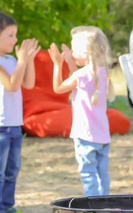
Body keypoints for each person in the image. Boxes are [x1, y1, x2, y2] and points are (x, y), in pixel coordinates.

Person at [0, 11, 40, 213]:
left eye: (16, 35)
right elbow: (12, 85)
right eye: (11, 36)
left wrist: (28, 61)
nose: (15, 41)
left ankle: (6, 208)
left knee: (11, 170)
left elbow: (28, 84)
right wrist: (22, 61)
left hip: (14, 124)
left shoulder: (12, 59)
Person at [48, 26, 115, 196]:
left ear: (85, 52)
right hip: (102, 135)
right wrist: (71, 61)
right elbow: (81, 78)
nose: (71, 51)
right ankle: (104, 203)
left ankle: (92, 206)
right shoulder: (102, 72)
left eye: (74, 48)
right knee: (102, 173)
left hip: (85, 135)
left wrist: (57, 64)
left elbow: (58, 88)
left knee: (88, 174)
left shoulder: (81, 76)